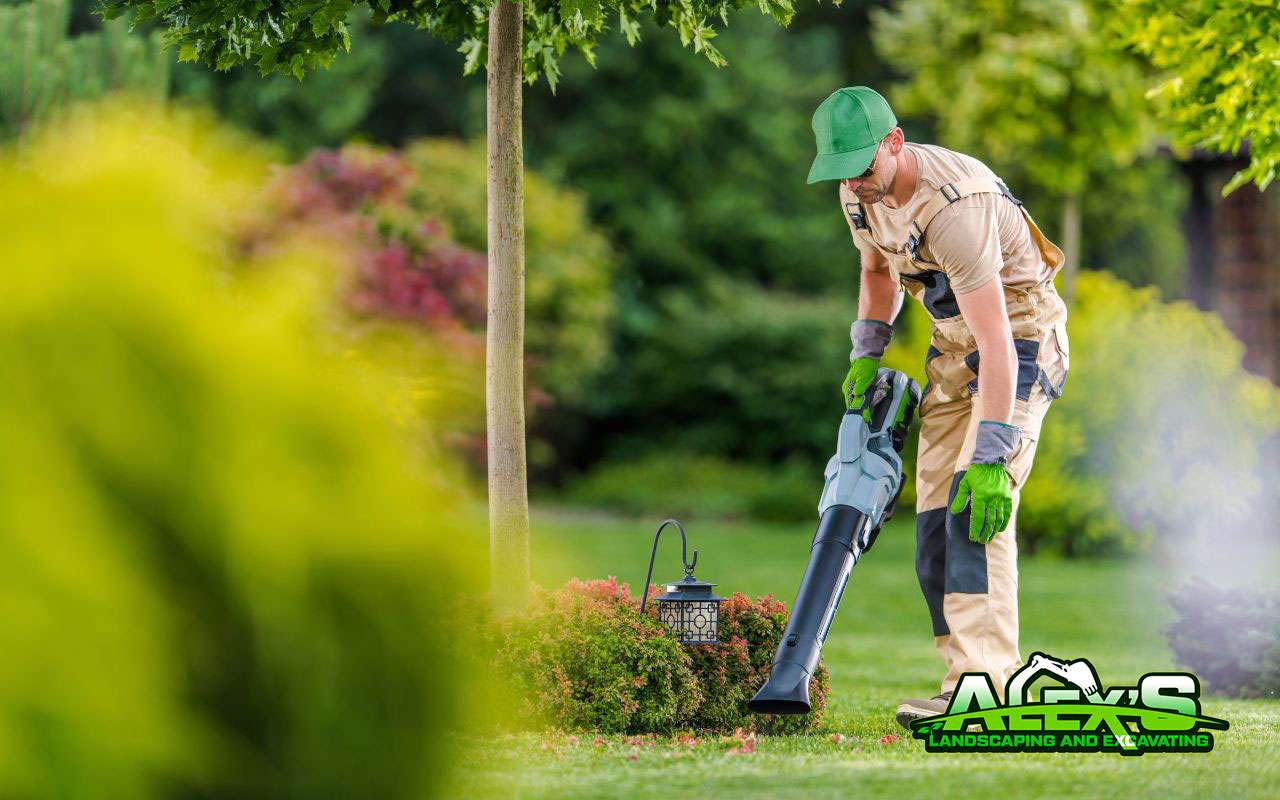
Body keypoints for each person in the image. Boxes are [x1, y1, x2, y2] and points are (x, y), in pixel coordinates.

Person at [806, 86, 1070, 729]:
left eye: (865, 168)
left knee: (973, 512)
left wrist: (991, 453)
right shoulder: (858, 190)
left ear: (895, 142)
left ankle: (988, 690)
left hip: (1017, 342)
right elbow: (876, 274)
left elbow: (999, 342)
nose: (856, 186)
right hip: (952, 348)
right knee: (932, 529)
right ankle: (961, 682)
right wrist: (867, 351)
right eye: (842, 173)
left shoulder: (956, 204)